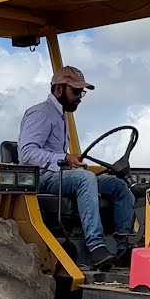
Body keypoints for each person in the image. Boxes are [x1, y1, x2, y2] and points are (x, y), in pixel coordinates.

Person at [17, 65, 135, 269]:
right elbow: (26, 153)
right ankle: (96, 246)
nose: (80, 96)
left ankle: (124, 247)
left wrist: (72, 161)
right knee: (84, 179)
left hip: (60, 175)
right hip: (40, 177)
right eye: (76, 91)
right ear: (59, 89)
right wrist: (64, 157)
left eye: (82, 92)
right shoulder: (40, 113)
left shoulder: (61, 115)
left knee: (118, 185)